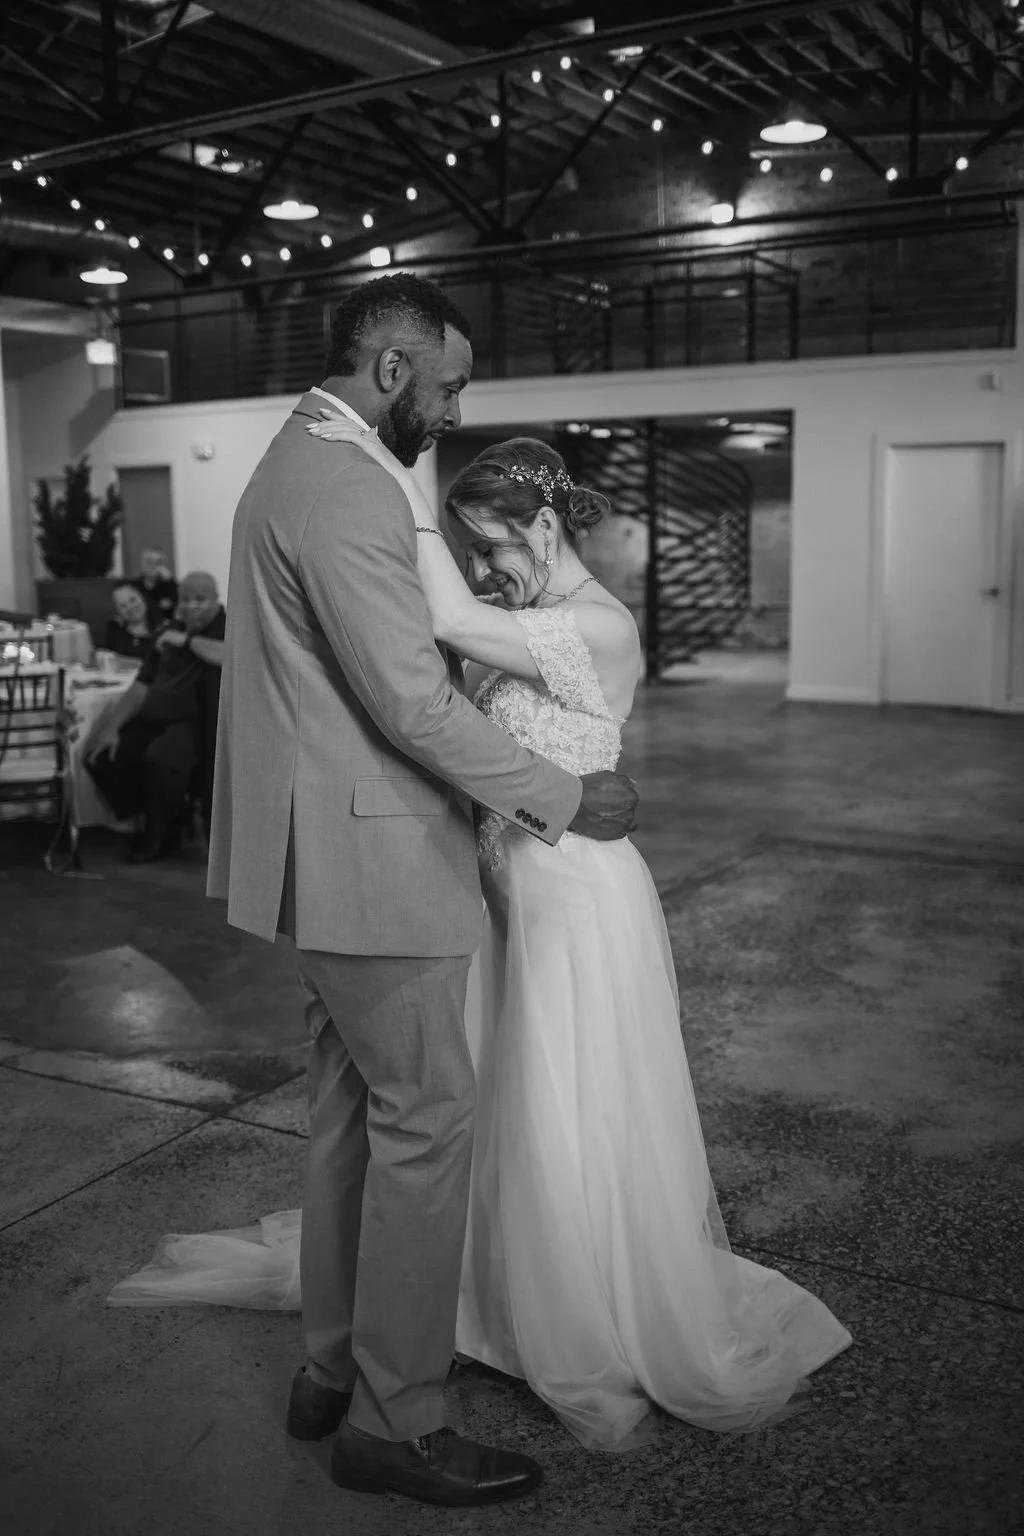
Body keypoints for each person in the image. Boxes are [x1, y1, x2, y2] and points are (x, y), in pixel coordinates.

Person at [110, 422, 853, 1452]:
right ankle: (482, 1294)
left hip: (573, 898)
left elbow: (443, 619)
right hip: (493, 888)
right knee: (493, 1094)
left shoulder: (594, 629)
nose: (481, 568)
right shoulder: (529, 613)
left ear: (546, 526)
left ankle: (572, 1303)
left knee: (565, 1101)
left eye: (495, 546)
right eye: (469, 548)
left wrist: (385, 472)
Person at [173, 274, 637, 1510]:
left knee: (348, 1120)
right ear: (392, 373)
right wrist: (565, 794)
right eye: (448, 387)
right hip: (377, 859)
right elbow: (409, 700)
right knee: (428, 1127)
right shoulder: (342, 485)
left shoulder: (314, 456)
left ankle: (330, 1368)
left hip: (321, 856)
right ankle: (397, 1421)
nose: (453, 407)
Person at [85, 571, 225, 860]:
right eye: (186, 599)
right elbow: (140, 686)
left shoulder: (226, 626)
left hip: (195, 723)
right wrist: (111, 727)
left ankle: (159, 836)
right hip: (151, 718)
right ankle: (160, 816)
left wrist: (184, 640)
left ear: (215, 600)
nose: (192, 606)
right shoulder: (167, 630)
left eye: (200, 599)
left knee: (161, 760)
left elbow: (228, 655)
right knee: (101, 755)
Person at [103, 581, 154, 660]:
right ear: (117, 611)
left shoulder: (164, 626)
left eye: (133, 600)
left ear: (142, 597)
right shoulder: (115, 632)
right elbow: (110, 660)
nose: (130, 607)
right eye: (123, 606)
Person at [135, 547, 178, 630]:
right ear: (142, 564)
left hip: (165, 630)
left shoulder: (169, 586)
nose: (153, 566)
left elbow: (181, 602)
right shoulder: (134, 588)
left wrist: (170, 580)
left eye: (158, 563)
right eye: (149, 562)